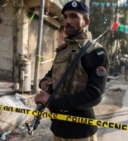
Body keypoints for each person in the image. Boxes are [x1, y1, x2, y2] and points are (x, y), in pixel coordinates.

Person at [35, 1, 109, 141]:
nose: (68, 21)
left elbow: (94, 95)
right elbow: (52, 74)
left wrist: (52, 102)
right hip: (58, 128)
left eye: (74, 16)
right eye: (66, 16)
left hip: (82, 131)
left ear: (86, 21)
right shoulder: (62, 50)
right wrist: (45, 82)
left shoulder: (96, 52)